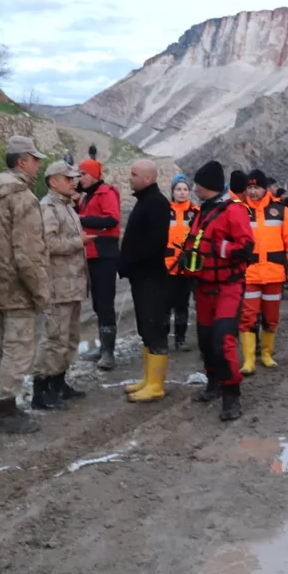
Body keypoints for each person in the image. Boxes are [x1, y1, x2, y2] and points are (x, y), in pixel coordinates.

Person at [0, 135, 50, 434]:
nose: (39, 165)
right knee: (18, 349)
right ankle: (5, 412)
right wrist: (41, 292)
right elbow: (28, 254)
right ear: (22, 161)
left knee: (1, 346)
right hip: (17, 288)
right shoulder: (23, 198)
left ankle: (3, 402)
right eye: (35, 159)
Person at [178, 160, 257, 420]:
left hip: (228, 286)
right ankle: (213, 383)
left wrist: (219, 249)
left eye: (197, 185)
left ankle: (231, 395)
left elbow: (246, 249)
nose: (194, 189)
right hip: (203, 285)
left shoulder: (234, 211)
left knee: (222, 340)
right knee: (205, 340)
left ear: (207, 186)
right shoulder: (203, 210)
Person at [34, 161, 92, 410]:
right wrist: (78, 241)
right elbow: (48, 244)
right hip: (58, 286)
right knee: (54, 339)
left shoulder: (67, 206)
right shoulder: (48, 208)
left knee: (70, 338)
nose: (74, 182)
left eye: (74, 178)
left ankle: (59, 382)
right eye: (68, 179)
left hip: (73, 284)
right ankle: (41, 390)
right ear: (53, 182)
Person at [119, 160, 172, 402]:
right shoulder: (146, 200)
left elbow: (154, 244)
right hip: (142, 276)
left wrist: (130, 261)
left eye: (134, 174)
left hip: (152, 276)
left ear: (147, 179)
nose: (129, 177)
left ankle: (156, 385)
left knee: (154, 327)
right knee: (145, 328)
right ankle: (148, 379)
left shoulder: (157, 204)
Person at [239, 169, 288, 374]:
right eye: (249, 187)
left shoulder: (280, 210)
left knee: (271, 317)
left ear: (265, 188)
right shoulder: (240, 211)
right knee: (248, 317)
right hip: (249, 273)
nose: (253, 191)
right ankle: (248, 361)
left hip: (274, 273)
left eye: (256, 187)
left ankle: (266, 355)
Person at [76, 158, 121, 370]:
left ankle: (109, 353)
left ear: (93, 174)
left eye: (82, 174)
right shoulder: (88, 196)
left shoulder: (106, 193)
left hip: (105, 253)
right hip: (92, 254)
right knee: (97, 303)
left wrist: (82, 220)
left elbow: (112, 219)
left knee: (105, 303)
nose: (79, 178)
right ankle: (103, 347)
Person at [166, 174, 199, 351]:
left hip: (187, 265)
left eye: (185, 189)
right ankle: (162, 338)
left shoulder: (196, 212)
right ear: (172, 191)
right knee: (164, 305)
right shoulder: (164, 210)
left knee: (182, 304)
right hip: (166, 265)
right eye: (178, 189)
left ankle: (180, 338)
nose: (182, 192)